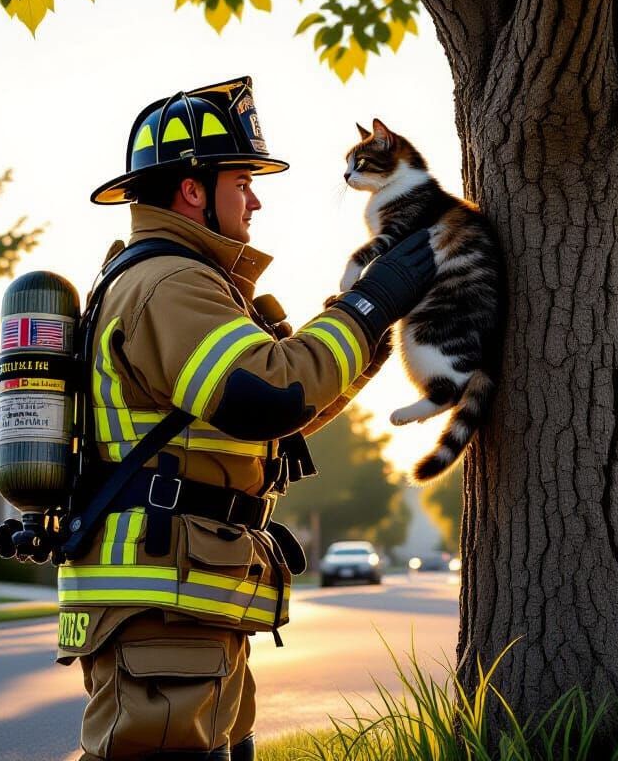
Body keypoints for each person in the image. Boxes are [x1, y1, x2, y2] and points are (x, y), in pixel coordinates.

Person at [56, 77, 435, 760]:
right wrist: (368, 305)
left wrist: (367, 341)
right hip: (162, 606)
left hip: (187, 601)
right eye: (241, 180)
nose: (255, 198)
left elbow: (265, 429)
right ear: (192, 189)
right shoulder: (171, 283)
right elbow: (264, 395)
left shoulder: (184, 279)